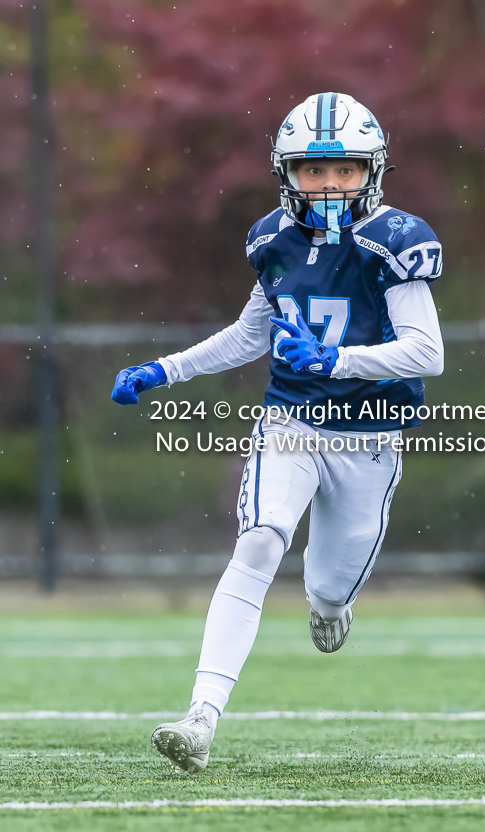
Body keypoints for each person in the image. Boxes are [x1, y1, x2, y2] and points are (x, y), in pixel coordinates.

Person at [110, 92, 444, 773]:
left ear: (371, 171)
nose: (327, 185)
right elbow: (249, 335)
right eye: (312, 171)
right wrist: (165, 370)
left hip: (369, 437)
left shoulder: (395, 240)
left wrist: (338, 360)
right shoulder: (274, 240)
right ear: (285, 172)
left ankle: (328, 603)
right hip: (289, 423)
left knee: (328, 586)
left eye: (344, 170)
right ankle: (201, 716)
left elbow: (426, 352)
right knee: (260, 542)